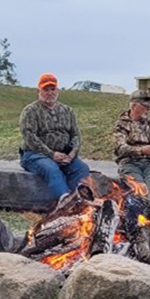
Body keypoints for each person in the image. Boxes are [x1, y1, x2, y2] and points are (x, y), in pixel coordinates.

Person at [20, 73, 90, 203]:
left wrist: (72, 154)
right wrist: (51, 154)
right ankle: (65, 202)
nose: (50, 93)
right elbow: (29, 136)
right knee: (52, 169)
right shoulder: (30, 111)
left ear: (57, 91)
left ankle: (77, 200)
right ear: (39, 91)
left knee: (82, 169)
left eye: (53, 89)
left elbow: (75, 134)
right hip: (35, 155)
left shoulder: (67, 110)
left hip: (64, 155)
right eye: (46, 89)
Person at [112, 90, 150, 200]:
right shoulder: (121, 125)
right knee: (139, 188)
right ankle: (147, 209)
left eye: (149, 106)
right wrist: (141, 150)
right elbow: (120, 148)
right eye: (145, 106)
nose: (149, 109)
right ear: (134, 106)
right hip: (129, 163)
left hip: (149, 163)